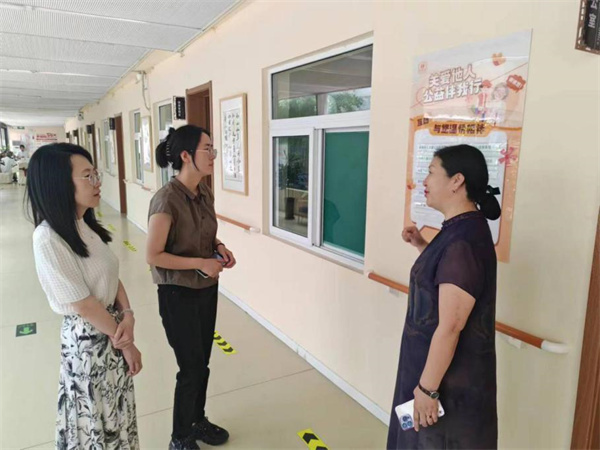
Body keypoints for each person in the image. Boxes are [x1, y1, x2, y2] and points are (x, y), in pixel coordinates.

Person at [27, 143, 141, 449]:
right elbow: (84, 304)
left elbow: (111, 275)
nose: (97, 182)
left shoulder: (84, 224)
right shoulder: (48, 238)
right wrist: (126, 343)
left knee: (116, 414)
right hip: (89, 344)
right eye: (87, 176)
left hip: (112, 330)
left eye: (95, 174)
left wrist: (128, 315)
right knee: (96, 420)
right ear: (59, 184)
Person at [387, 144, 501, 449]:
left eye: (431, 172)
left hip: (446, 382)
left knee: (430, 442)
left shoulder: (463, 241)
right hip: (430, 368)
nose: (424, 181)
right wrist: (422, 245)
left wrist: (427, 389)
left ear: (456, 181)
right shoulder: (460, 230)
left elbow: (451, 325)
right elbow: (447, 279)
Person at [146, 125, 236, 450]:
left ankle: (198, 420)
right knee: (190, 368)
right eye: (207, 149)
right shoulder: (166, 200)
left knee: (203, 363)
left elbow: (205, 233)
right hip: (177, 294)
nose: (213, 155)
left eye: (213, 148)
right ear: (186, 155)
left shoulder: (204, 192)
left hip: (205, 289)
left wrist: (219, 247)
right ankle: (180, 437)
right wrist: (201, 262)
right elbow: (153, 255)